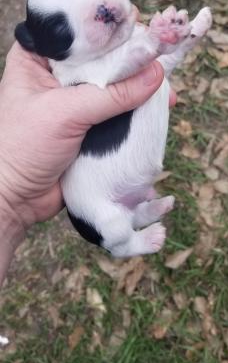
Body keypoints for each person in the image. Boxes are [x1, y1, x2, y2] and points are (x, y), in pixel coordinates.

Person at [0, 40, 176, 287]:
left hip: (106, 182)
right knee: (114, 228)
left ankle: (140, 214)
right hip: (101, 209)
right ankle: (127, 245)